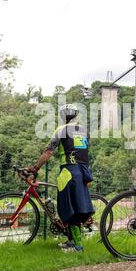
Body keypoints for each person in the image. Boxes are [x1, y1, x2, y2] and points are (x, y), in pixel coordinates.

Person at [28, 104, 94, 252]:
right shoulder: (84, 131)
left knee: (70, 209)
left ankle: (78, 246)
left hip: (68, 173)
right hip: (84, 172)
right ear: (75, 115)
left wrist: (35, 168)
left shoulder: (62, 129)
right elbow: (84, 152)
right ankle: (71, 241)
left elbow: (48, 152)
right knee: (78, 206)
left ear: (63, 116)